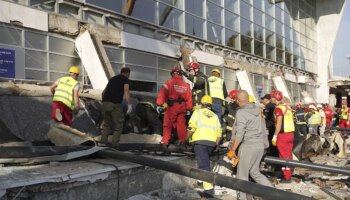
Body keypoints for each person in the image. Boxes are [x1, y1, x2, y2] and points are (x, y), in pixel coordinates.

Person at [227, 90, 272, 199]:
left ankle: (242, 198)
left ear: (238, 100)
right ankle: (274, 194)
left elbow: (240, 134)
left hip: (248, 146)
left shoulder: (241, 112)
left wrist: (233, 149)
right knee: (254, 172)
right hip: (259, 146)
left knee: (241, 176)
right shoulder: (257, 109)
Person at [186, 95, 221, 196]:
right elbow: (219, 131)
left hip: (200, 142)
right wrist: (217, 144)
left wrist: (184, 139)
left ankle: (209, 189)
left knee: (204, 164)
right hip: (211, 144)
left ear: (201, 104)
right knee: (203, 161)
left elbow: (191, 127)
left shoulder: (197, 112)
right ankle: (200, 181)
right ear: (211, 105)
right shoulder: (214, 116)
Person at [157, 66, 192, 145]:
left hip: (172, 106)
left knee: (168, 124)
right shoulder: (186, 85)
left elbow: (162, 94)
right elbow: (189, 98)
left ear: (173, 74)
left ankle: (165, 141)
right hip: (182, 107)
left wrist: (159, 104)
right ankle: (183, 142)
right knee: (181, 125)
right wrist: (189, 108)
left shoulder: (169, 82)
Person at [100, 67, 132, 146]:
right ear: (127, 73)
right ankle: (115, 145)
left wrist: (105, 101)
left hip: (105, 103)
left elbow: (103, 92)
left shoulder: (112, 79)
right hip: (115, 104)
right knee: (118, 125)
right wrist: (129, 104)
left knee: (106, 124)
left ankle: (102, 143)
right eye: (129, 74)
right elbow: (126, 91)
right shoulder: (125, 79)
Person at [270, 89, 295, 182]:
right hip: (290, 134)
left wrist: (275, 135)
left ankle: (287, 177)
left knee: (283, 156)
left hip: (283, 135)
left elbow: (279, 123)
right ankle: (289, 172)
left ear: (274, 98)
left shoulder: (278, 109)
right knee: (288, 155)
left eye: (272, 97)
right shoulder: (287, 107)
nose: (271, 99)